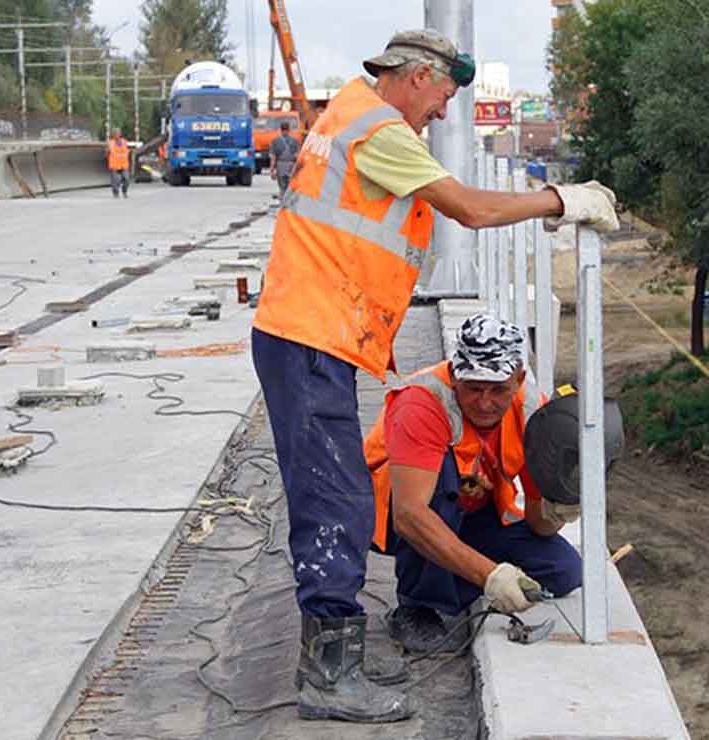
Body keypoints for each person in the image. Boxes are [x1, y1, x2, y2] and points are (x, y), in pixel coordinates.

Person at [250, 28, 618, 724]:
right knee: (337, 503)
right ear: (417, 75)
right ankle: (331, 676)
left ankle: (338, 662)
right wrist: (558, 202)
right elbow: (471, 211)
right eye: (444, 95)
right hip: (308, 332)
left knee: (340, 497)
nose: (444, 113)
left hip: (312, 332)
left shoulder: (353, 118)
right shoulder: (378, 129)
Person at [364, 315, 582, 654]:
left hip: (472, 513)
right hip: (399, 514)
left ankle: (454, 574)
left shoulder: (529, 409)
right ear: (454, 375)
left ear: (519, 378)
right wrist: (490, 577)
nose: (484, 403)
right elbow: (408, 514)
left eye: (498, 390)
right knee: (445, 477)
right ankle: (416, 607)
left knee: (563, 571)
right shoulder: (421, 404)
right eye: (474, 388)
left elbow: (540, 524)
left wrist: (560, 505)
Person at [268, 120, 301, 199]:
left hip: (280, 166)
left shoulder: (275, 142)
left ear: (281, 130)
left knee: (282, 187)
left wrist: (272, 170)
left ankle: (283, 202)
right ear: (289, 130)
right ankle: (288, 202)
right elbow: (297, 157)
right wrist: (298, 170)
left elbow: (273, 158)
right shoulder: (295, 141)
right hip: (291, 166)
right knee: (290, 187)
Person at [106, 128, 130, 199]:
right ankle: (116, 193)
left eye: (118, 133)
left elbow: (128, 151)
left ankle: (124, 191)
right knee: (115, 180)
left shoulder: (124, 142)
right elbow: (107, 153)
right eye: (115, 133)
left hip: (124, 164)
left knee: (127, 179)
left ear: (120, 134)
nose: (117, 135)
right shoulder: (110, 143)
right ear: (113, 135)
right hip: (114, 165)